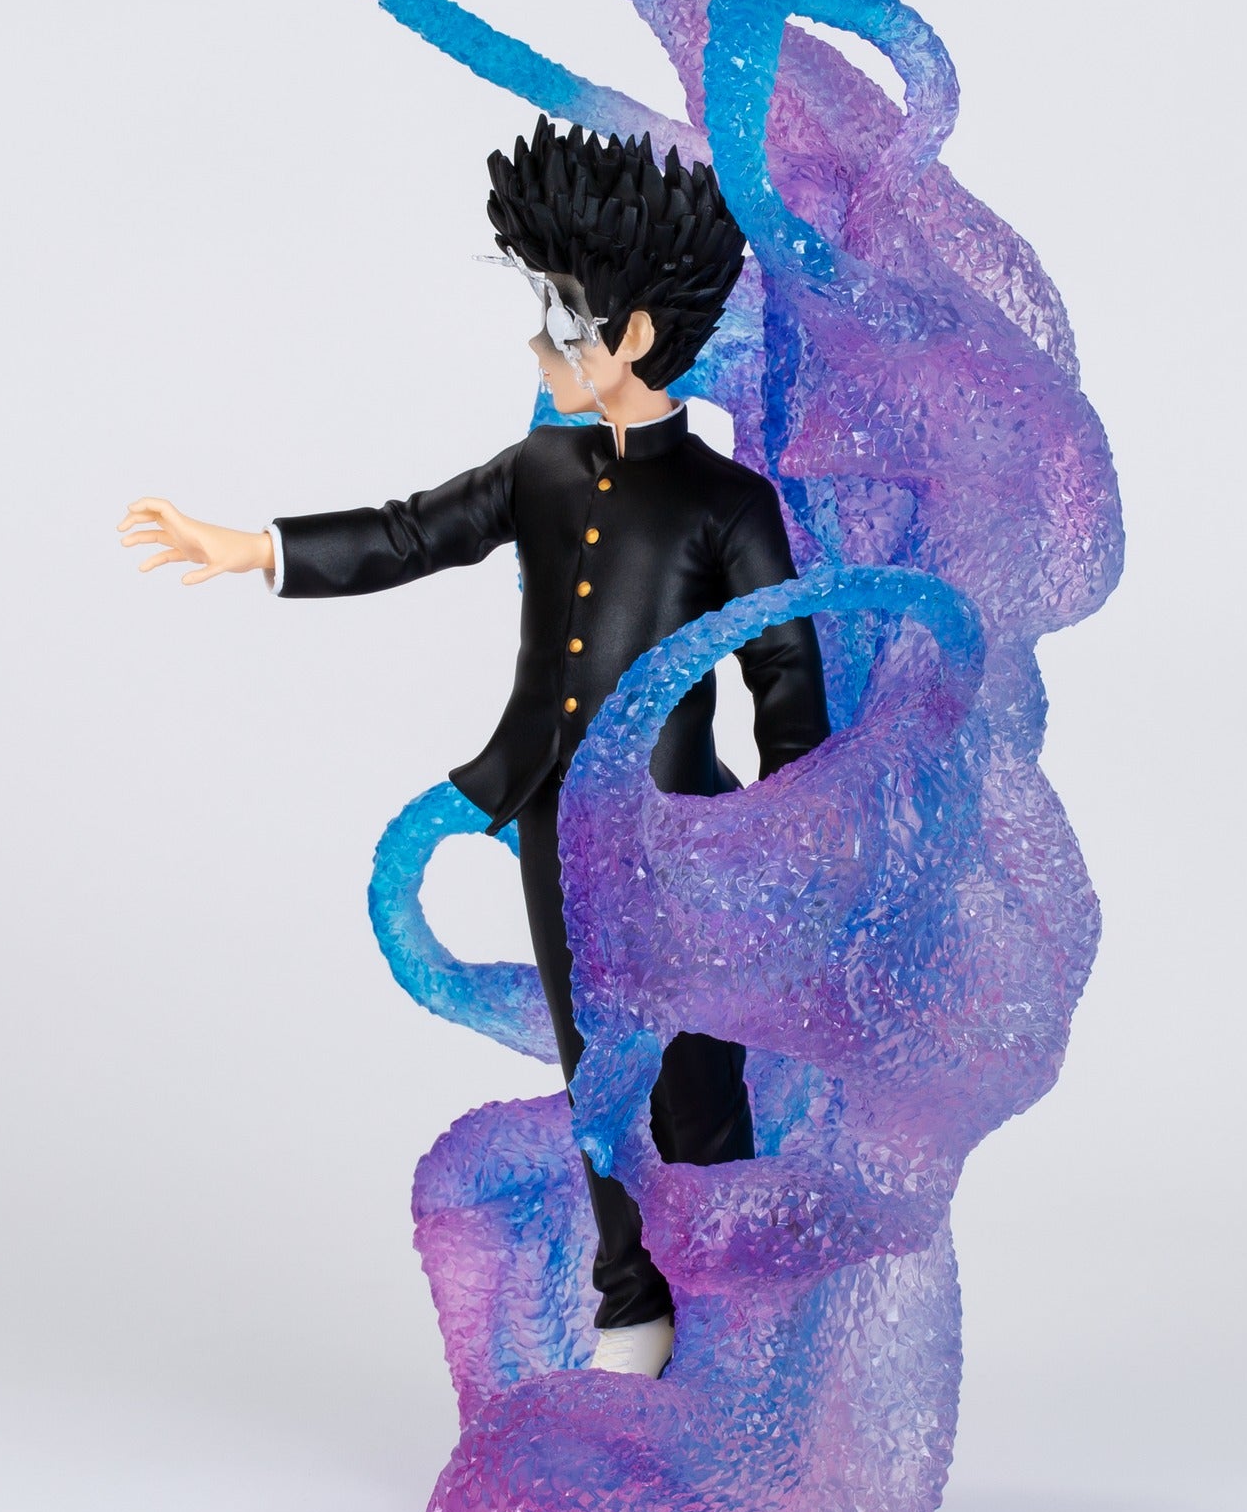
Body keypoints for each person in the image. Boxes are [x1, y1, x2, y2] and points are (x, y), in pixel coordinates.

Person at [119, 117, 831, 1377]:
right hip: (553, 819)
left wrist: (785, 834)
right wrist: (254, 548)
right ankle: (633, 1306)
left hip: (679, 835)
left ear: (636, 334)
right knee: (593, 1073)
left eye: (563, 318)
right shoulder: (542, 468)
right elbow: (410, 532)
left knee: (696, 1073)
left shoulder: (729, 505)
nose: (539, 345)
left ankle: (742, 1306)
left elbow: (786, 679)